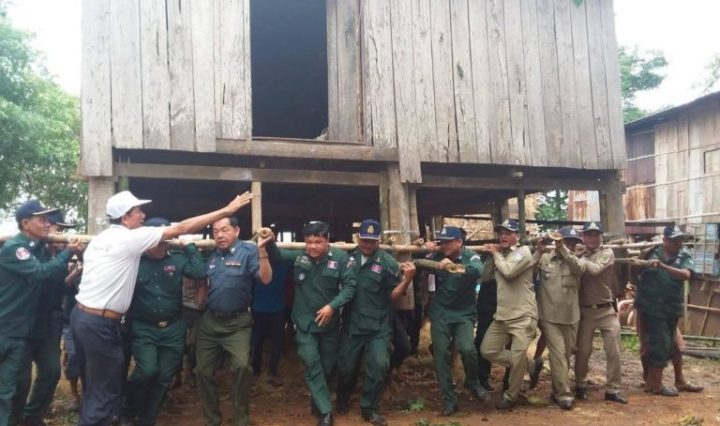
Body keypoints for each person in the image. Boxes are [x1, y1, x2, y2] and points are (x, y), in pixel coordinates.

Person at [71, 190, 253, 425]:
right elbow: (182, 228)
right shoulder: (129, 238)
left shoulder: (102, 239)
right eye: (138, 211)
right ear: (125, 217)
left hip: (84, 317)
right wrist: (226, 210)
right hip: (101, 323)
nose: (143, 215)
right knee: (105, 393)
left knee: (98, 388)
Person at [0, 200, 82, 425]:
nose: (49, 226)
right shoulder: (18, 249)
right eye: (43, 220)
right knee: (16, 382)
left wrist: (68, 258)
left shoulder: (43, 250)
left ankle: (31, 417)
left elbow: (57, 286)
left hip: (43, 323)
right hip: (14, 326)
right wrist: (66, 254)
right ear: (26, 223)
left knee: (50, 372)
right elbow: (39, 273)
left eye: (49, 221)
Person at [267, 221, 357, 426]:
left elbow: (350, 287)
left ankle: (318, 401)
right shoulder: (300, 257)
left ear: (327, 240)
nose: (313, 247)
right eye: (309, 242)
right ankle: (326, 413)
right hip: (305, 323)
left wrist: (332, 306)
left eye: (318, 242)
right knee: (311, 362)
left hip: (329, 325)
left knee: (327, 367)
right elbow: (277, 256)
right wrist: (270, 241)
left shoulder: (341, 259)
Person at [123, 217, 207, 425]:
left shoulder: (177, 259)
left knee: (164, 377)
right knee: (146, 370)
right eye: (158, 241)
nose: (162, 246)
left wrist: (189, 247)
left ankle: (147, 419)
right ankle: (128, 409)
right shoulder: (134, 261)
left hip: (173, 328)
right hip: (144, 328)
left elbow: (199, 272)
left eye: (165, 241)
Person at [336, 220, 416, 426]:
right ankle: (343, 398)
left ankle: (369, 407)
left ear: (379, 241)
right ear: (358, 238)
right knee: (346, 368)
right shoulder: (347, 259)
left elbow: (393, 296)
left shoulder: (387, 262)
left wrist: (407, 280)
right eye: (364, 240)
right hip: (353, 324)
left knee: (379, 365)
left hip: (378, 325)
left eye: (372, 241)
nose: (368, 244)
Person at [194, 217, 272, 426]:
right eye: (215, 231)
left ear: (236, 231)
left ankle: (240, 419)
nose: (219, 235)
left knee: (242, 367)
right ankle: (212, 419)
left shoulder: (248, 252)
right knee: (202, 371)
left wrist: (262, 252)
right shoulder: (210, 254)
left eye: (225, 230)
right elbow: (202, 279)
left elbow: (266, 279)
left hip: (237, 323)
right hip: (211, 321)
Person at [426, 226, 489, 416]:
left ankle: (472, 382)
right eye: (442, 242)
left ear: (459, 242)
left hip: (464, 313)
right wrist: (426, 249)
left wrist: (452, 267)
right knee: (441, 355)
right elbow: (417, 260)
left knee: (467, 348)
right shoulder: (436, 256)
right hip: (440, 313)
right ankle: (449, 398)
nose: (444, 245)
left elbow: (477, 270)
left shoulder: (471, 256)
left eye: (448, 242)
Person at [633, 225, 702, 396]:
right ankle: (653, 382)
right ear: (664, 240)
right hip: (648, 307)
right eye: (674, 240)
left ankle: (678, 380)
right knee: (654, 344)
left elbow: (686, 275)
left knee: (672, 345)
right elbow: (634, 272)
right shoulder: (650, 252)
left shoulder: (683, 255)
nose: (678, 243)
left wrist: (663, 267)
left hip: (670, 308)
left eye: (680, 240)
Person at [480, 219, 539, 410]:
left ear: (517, 236)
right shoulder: (501, 255)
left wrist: (496, 253)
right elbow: (485, 277)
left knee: (517, 355)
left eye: (508, 232)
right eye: (500, 233)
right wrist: (492, 256)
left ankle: (511, 396)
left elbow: (509, 271)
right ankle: (529, 364)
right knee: (487, 350)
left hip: (523, 316)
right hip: (503, 315)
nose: (503, 236)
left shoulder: (523, 252)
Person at [574, 222, 627, 404]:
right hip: (585, 311)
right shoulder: (577, 254)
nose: (592, 238)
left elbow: (595, 270)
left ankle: (613, 390)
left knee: (614, 351)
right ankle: (580, 385)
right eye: (588, 235)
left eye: (595, 235)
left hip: (606, 310)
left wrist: (578, 257)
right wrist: (576, 256)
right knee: (583, 351)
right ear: (583, 236)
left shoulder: (607, 253)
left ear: (600, 237)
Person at [533, 227, 586, 410]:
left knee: (566, 356)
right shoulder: (545, 259)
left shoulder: (578, 260)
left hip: (571, 317)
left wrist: (563, 249)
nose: (569, 244)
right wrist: (538, 250)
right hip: (549, 317)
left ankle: (556, 392)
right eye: (566, 241)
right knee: (558, 355)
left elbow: (579, 269)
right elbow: (530, 274)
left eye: (572, 242)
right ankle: (564, 395)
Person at [251, 255, 293, 387]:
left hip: (271, 309)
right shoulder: (283, 262)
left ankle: (262, 371)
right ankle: (264, 371)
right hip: (265, 309)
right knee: (264, 342)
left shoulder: (282, 262)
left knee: (262, 341)